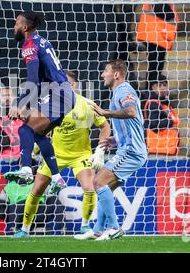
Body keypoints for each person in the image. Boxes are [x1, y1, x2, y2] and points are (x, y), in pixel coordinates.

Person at [12, 71, 111, 238]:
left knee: (89, 188)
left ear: (73, 85)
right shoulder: (51, 104)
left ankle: (85, 227)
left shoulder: (87, 104)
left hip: (81, 155)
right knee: (36, 190)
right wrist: (35, 147)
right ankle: (25, 229)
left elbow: (105, 126)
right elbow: (38, 128)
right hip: (55, 155)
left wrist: (100, 150)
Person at [76, 59, 147, 241]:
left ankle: (114, 228)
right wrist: (116, 139)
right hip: (127, 147)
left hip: (131, 151)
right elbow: (136, 121)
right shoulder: (118, 92)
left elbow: (131, 112)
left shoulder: (124, 90)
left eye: (105, 71)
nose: (102, 74)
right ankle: (99, 229)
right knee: (103, 187)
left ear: (116, 74)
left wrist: (105, 113)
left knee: (98, 181)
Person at [5, 11, 76, 193]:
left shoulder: (29, 46)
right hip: (62, 94)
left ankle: (26, 170)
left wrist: (20, 104)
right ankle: (57, 177)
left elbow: (33, 79)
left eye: (17, 24)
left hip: (57, 94)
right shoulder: (42, 40)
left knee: (25, 129)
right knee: (37, 135)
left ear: (25, 27)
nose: (14, 27)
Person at [136, 0, 179, 89]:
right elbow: (161, 11)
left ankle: (151, 91)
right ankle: (151, 92)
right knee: (156, 66)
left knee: (154, 65)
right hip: (157, 36)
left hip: (153, 35)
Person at [0, 174, 66, 235]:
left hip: (32, 215)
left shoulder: (8, 187)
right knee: (25, 204)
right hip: (21, 215)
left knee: (52, 201)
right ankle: (19, 227)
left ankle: (20, 227)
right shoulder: (8, 187)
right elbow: (1, 211)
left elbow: (1, 212)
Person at [143, 75, 180, 155]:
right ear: (153, 88)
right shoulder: (153, 103)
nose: (163, 88)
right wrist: (170, 121)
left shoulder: (166, 104)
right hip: (155, 151)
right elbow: (154, 124)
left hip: (166, 149)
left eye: (165, 85)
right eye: (159, 85)